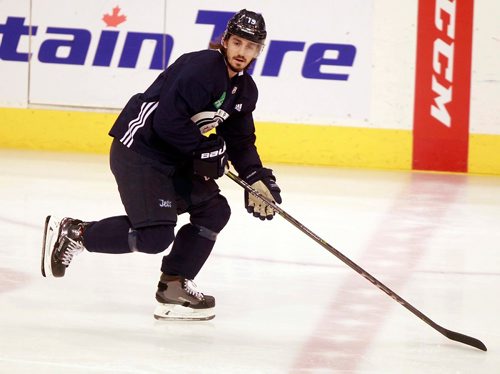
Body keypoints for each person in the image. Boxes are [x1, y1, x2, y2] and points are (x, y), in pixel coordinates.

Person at [41, 9, 282, 321]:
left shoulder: (244, 90)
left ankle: (173, 287)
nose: (242, 52)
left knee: (214, 210)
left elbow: (240, 140)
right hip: (141, 152)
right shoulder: (201, 68)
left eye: (251, 47)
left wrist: (255, 178)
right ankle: (75, 233)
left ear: (259, 51)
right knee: (155, 236)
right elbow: (167, 121)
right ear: (225, 41)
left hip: (174, 156)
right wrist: (203, 150)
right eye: (238, 43)